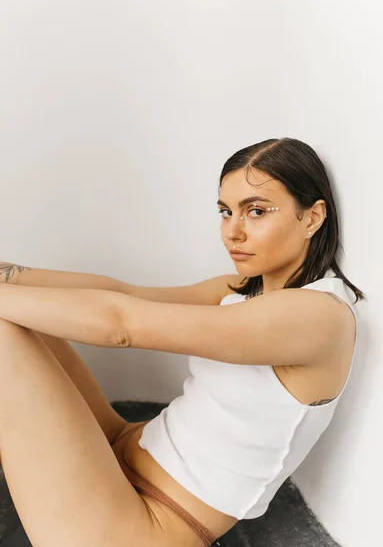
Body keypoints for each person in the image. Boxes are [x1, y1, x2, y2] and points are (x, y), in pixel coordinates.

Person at [0, 137, 364, 547]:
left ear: (312, 217)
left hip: (145, 527)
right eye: (226, 212)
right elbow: (125, 293)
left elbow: (121, 323)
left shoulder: (317, 317)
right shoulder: (245, 290)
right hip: (123, 448)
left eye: (257, 211)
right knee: (29, 315)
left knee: (5, 330)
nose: (233, 231)